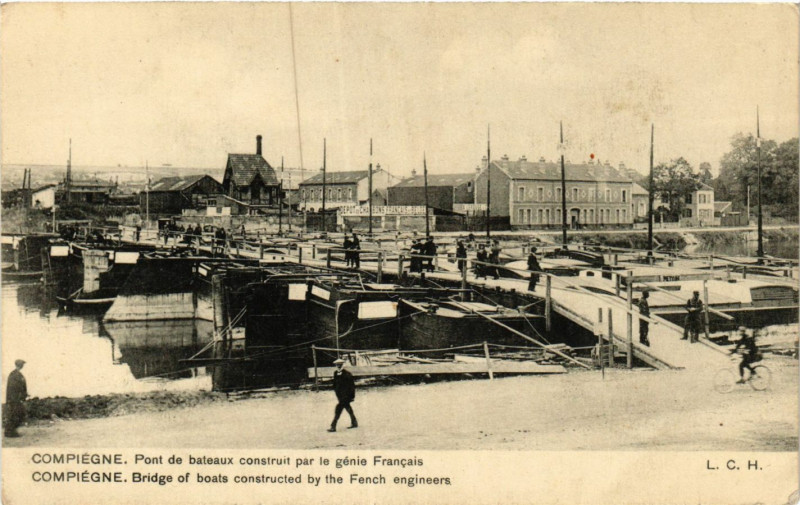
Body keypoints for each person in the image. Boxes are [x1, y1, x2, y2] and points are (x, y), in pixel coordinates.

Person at [327, 358, 357, 432]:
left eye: (340, 365)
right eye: (337, 365)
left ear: (342, 365)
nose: (338, 366)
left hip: (346, 395)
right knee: (348, 408)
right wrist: (336, 390)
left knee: (338, 409)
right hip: (339, 395)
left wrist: (352, 396)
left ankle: (333, 426)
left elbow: (352, 386)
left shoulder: (347, 374)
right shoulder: (335, 373)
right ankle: (354, 422)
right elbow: (334, 384)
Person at [5, 359, 28, 438]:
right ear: (19, 365)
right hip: (14, 399)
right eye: (22, 364)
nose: (23, 366)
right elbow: (13, 388)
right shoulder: (14, 374)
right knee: (14, 414)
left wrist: (24, 395)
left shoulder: (18, 374)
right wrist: (16, 398)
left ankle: (11, 431)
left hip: (17, 399)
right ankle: (9, 432)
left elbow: (22, 387)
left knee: (18, 414)